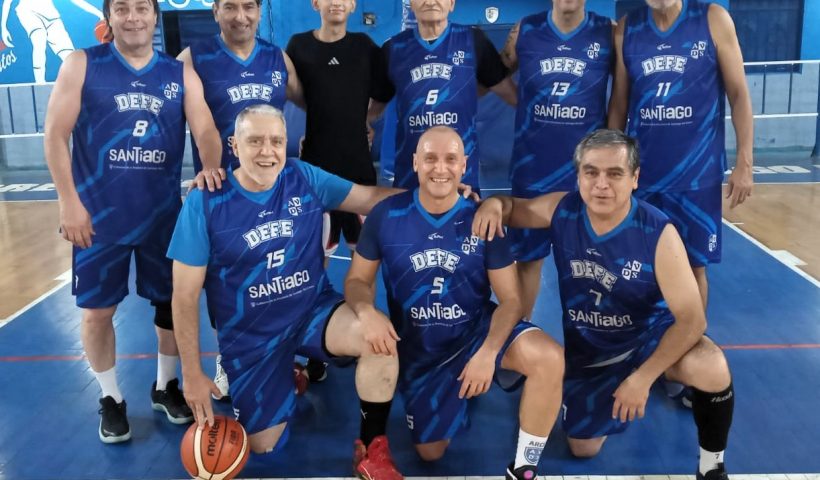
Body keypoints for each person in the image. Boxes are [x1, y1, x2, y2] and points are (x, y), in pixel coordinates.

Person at [473, 129, 735, 480]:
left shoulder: (658, 232)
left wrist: (643, 378)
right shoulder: (563, 210)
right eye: (591, 172)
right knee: (583, 448)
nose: (601, 185)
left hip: (645, 340)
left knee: (712, 365)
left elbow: (692, 320)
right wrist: (494, 204)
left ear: (634, 178)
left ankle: (712, 466)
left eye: (614, 174)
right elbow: (513, 209)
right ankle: (610, 393)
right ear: (578, 176)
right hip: (592, 353)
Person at [168, 104, 404, 479]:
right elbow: (183, 296)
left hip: (312, 313)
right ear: (234, 146)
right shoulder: (206, 202)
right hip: (252, 338)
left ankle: (371, 446)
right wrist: (192, 373)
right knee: (263, 445)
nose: (267, 151)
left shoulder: (302, 176)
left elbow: (368, 197)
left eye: (276, 141)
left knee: (380, 340)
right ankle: (287, 373)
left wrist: (439, 198)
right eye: (255, 141)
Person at [43, 0, 222, 444]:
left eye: (142, 8)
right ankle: (110, 397)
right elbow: (55, 135)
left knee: (169, 307)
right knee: (97, 312)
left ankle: (165, 385)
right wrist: (68, 202)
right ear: (109, 17)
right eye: (122, 9)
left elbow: (205, 129)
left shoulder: (178, 73)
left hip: (162, 217)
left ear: (155, 16)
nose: (133, 17)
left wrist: (210, 166)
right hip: (98, 217)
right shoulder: (82, 64)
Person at [345, 126, 564, 479]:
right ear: (415, 163)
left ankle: (524, 466)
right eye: (430, 158)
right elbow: (357, 280)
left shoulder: (481, 218)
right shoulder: (386, 216)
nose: (440, 168)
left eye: (450, 159)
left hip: (475, 331)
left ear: (464, 165)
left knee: (550, 358)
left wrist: (488, 352)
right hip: (422, 348)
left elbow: (510, 300)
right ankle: (460, 392)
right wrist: (366, 310)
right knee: (430, 453)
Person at [178, 0, 305, 400]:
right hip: (224, 192)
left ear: (260, 11)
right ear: (215, 11)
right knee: (225, 282)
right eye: (229, 7)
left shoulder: (277, 58)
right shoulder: (193, 59)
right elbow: (191, 121)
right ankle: (227, 356)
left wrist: (320, 137)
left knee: (277, 274)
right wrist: (208, 169)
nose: (240, 16)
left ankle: (285, 350)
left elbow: (313, 101)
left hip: (273, 188)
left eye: (248, 6)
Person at [607, 0, 753, 308]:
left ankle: (693, 337)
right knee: (638, 269)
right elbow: (619, 103)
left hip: (697, 176)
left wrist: (745, 162)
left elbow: (739, 94)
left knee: (694, 268)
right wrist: (610, 167)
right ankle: (648, 336)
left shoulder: (713, 19)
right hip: (643, 176)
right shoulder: (627, 29)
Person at [499, 0, 613, 321]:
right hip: (532, 171)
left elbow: (627, 93)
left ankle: (596, 336)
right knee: (528, 262)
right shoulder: (525, 31)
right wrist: (519, 100)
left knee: (592, 265)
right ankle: (520, 333)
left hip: (587, 177)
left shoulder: (609, 32)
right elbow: (489, 76)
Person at [369, 0, 517, 191]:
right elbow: (375, 106)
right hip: (410, 176)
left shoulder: (473, 41)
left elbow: (512, 96)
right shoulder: (393, 49)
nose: (431, 2)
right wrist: (363, 126)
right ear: (411, 4)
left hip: (462, 180)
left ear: (452, 3)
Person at [286, 0, 391, 265]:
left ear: (353, 5)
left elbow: (382, 96)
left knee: (365, 262)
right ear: (315, 4)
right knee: (316, 261)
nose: (335, 2)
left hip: (359, 173)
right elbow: (297, 94)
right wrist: (323, 119)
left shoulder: (365, 47)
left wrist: (360, 120)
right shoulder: (299, 46)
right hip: (316, 172)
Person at [1, 0, 103, 83]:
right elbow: (7, 2)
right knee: (39, 38)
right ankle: (40, 83)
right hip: (27, 11)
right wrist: (3, 28)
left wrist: (98, 13)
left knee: (68, 55)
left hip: (51, 16)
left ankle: (86, 84)